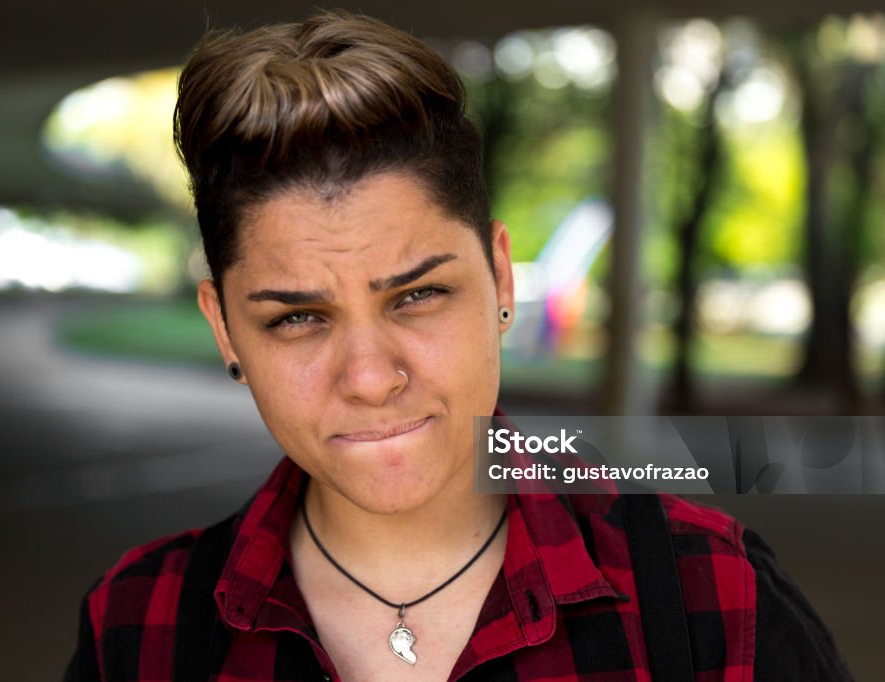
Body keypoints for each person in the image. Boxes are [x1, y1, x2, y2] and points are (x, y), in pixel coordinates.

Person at [63, 10, 852, 681]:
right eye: (297, 318)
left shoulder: (712, 596)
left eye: (418, 295)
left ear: (501, 279)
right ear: (224, 328)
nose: (370, 379)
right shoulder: (140, 628)